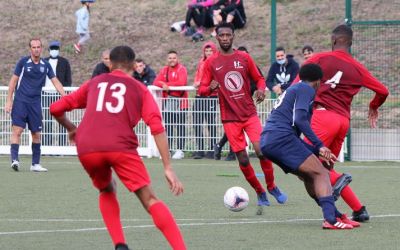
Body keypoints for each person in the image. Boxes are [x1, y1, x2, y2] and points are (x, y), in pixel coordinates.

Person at [50, 45, 186, 250]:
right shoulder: (140, 89)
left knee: (106, 189)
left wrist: (71, 128)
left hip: (87, 146)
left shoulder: (94, 82)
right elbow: (157, 127)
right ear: (133, 65)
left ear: (110, 64)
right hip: (120, 145)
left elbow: (55, 108)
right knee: (149, 200)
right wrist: (168, 167)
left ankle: (120, 245)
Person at [297, 24, 389, 222]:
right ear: (350, 43)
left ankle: (337, 189)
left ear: (333, 40)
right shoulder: (358, 67)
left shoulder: (319, 58)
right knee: (326, 170)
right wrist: (373, 106)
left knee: (305, 165)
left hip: (323, 118)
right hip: (342, 123)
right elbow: (383, 91)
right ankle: (359, 209)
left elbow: (298, 82)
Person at [199, 23, 287, 213]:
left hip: (249, 113)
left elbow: (259, 79)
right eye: (221, 35)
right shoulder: (211, 62)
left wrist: (262, 90)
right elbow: (201, 90)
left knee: (262, 151)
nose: (224, 38)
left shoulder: (244, 57)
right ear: (217, 37)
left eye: (227, 35)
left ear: (233, 36)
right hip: (229, 117)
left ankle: (272, 186)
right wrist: (210, 88)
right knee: (243, 159)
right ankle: (260, 191)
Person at [260, 63, 358, 230]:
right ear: (319, 81)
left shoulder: (294, 89)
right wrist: (319, 146)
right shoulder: (306, 89)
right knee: (321, 173)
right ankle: (330, 219)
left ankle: (335, 215)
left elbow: (295, 131)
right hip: (282, 137)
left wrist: (314, 150)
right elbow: (299, 120)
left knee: (309, 175)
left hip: (269, 140)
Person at [5, 38, 65, 172]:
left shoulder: (46, 64)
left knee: (36, 134)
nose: (36, 49)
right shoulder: (23, 62)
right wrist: (9, 100)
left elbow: (55, 82)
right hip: (21, 101)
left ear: (41, 48)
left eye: (38, 47)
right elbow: (13, 81)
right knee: (17, 130)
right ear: (30, 49)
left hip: (35, 104)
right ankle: (15, 160)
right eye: (34, 47)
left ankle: (35, 164)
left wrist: (65, 97)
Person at [213, 45, 259, 162]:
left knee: (259, 146)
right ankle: (230, 152)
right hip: (230, 106)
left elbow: (260, 79)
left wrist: (255, 90)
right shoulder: (226, 66)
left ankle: (220, 145)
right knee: (234, 131)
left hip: (246, 105)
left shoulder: (251, 65)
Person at [153, 50, 188, 160]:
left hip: (181, 103)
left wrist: (166, 84)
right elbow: (156, 82)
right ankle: (168, 150)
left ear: (178, 59)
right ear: (167, 59)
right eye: (170, 58)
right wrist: (163, 84)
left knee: (180, 126)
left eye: (174, 58)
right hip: (168, 102)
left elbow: (181, 82)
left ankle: (180, 150)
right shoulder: (164, 70)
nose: (172, 60)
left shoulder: (182, 69)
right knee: (168, 126)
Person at [43, 40, 72, 146]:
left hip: (59, 95)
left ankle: (61, 146)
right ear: (49, 50)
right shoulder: (44, 62)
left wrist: (65, 94)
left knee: (62, 120)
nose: (54, 50)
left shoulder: (64, 62)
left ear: (59, 50)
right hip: (45, 94)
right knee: (46, 121)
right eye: (52, 48)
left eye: (56, 48)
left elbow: (68, 80)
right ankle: (47, 145)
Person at [192, 41, 218, 159]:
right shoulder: (201, 62)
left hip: (211, 96)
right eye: (206, 51)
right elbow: (197, 77)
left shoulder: (216, 63)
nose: (208, 53)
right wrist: (196, 83)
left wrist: (201, 83)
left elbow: (214, 79)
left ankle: (213, 149)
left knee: (210, 123)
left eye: (210, 51)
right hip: (199, 96)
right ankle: (200, 149)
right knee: (197, 122)